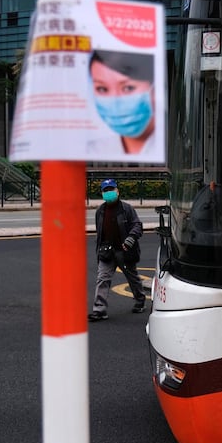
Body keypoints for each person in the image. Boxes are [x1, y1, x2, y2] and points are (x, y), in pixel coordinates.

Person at [88, 178, 147, 321]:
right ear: (102, 193)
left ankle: (140, 300)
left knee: (132, 277)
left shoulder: (126, 209)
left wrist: (130, 238)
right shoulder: (100, 211)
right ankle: (99, 309)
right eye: (105, 191)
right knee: (102, 278)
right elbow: (100, 233)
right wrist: (99, 251)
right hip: (107, 251)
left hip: (124, 250)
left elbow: (137, 225)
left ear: (117, 191)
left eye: (111, 190)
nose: (109, 193)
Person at [89, 50, 156, 155]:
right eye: (102, 89)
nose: (115, 102)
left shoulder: (173, 147)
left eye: (128, 88)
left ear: (154, 88)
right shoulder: (92, 151)